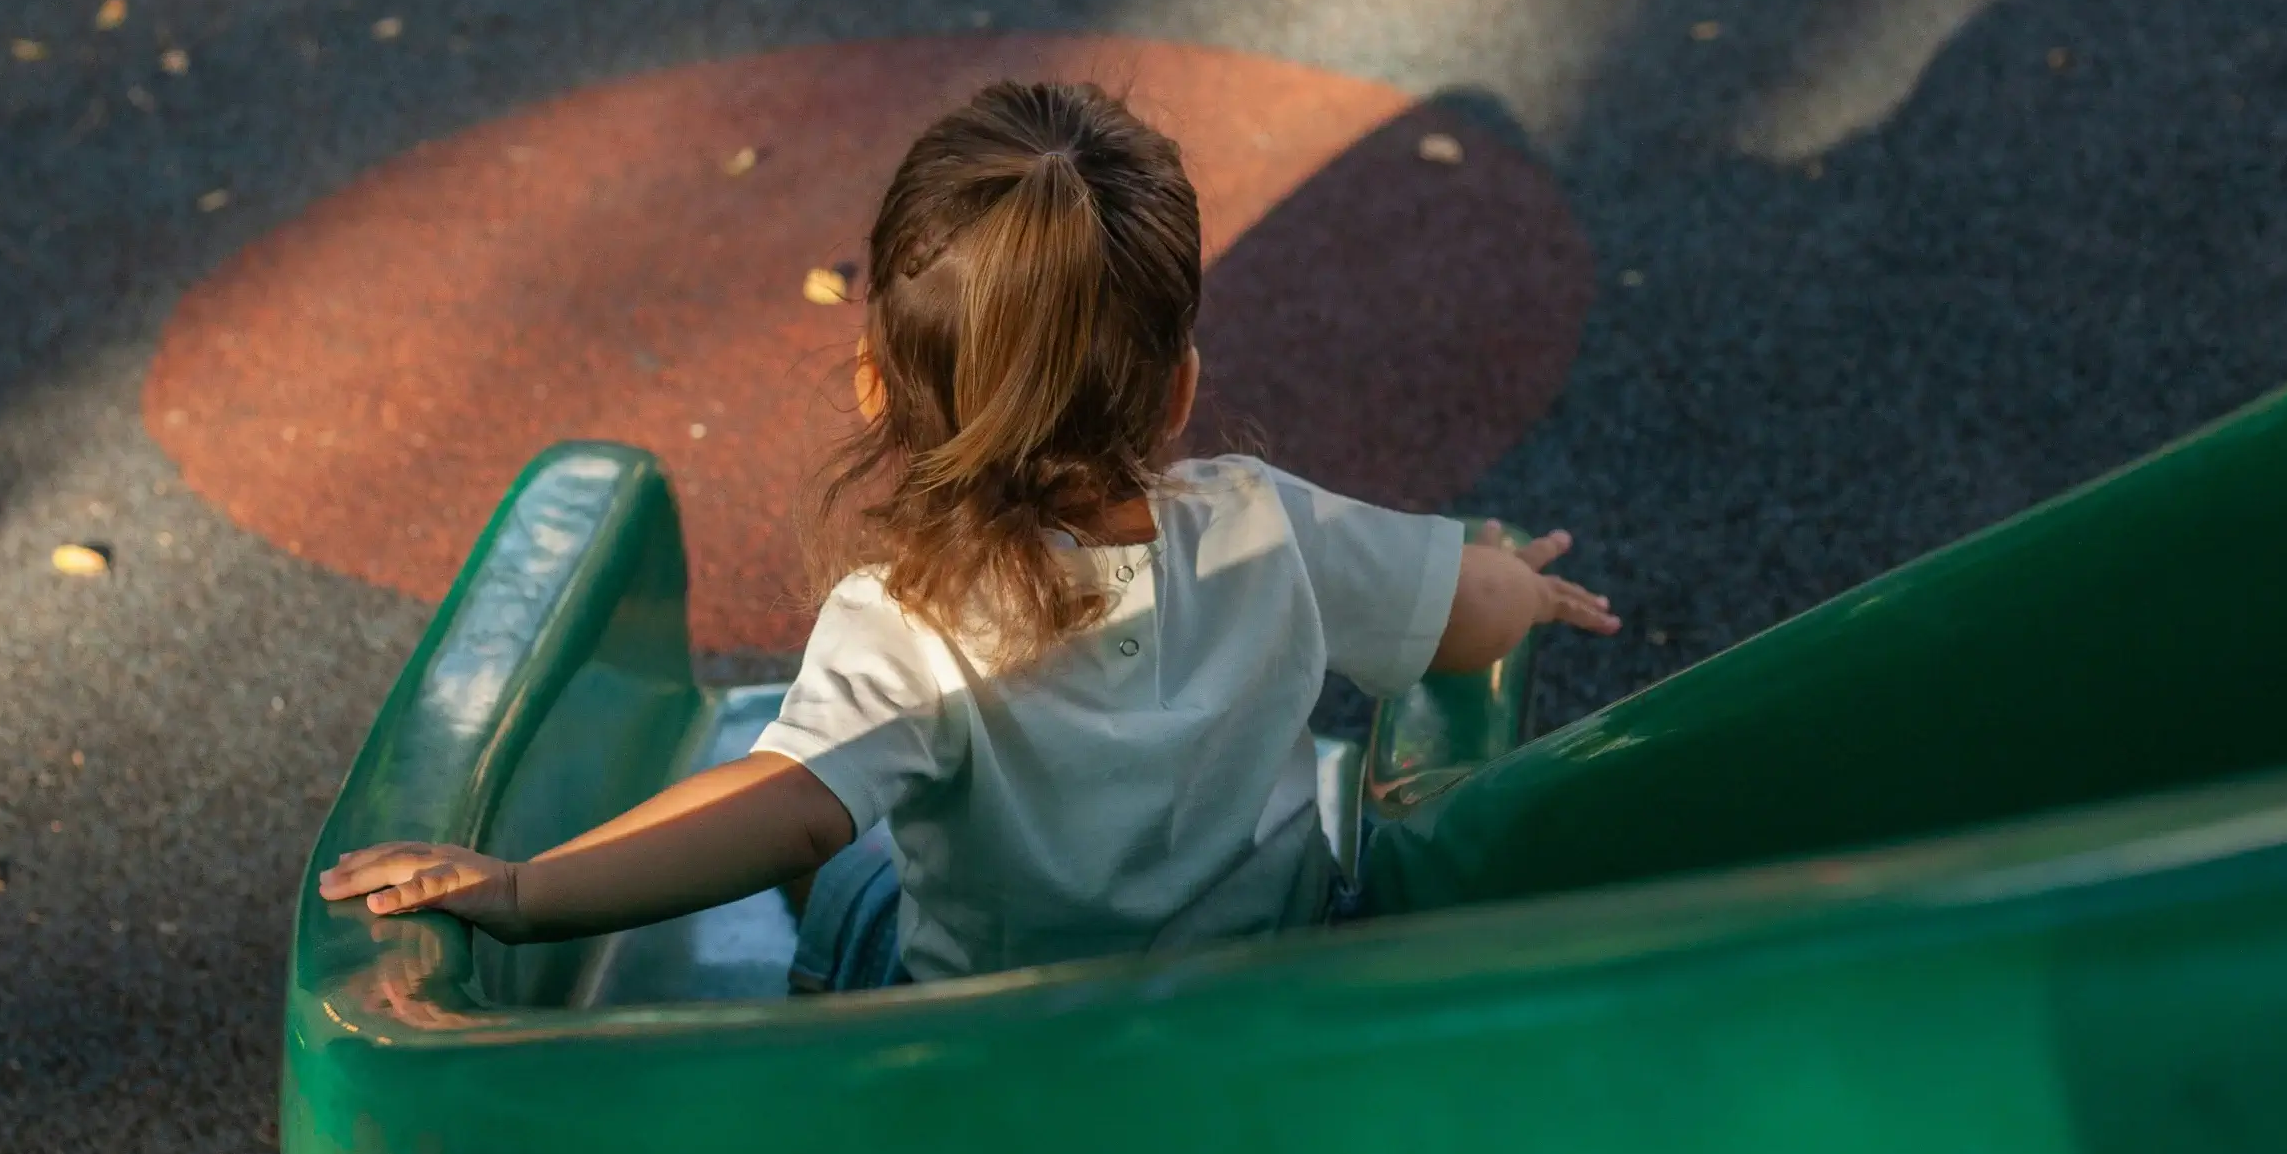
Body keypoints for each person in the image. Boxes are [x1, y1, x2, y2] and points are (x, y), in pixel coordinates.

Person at [318, 81, 1620, 991]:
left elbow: (782, 815)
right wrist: (1516, 580)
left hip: (990, 1040)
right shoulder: (1263, 523)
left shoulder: (910, 623)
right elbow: (1466, 615)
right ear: (1176, 389)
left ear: (875, 387)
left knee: (850, 877)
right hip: (1255, 993)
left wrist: (528, 890)